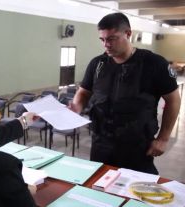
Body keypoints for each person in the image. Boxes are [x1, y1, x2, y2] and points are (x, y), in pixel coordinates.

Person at [70, 13, 181, 174]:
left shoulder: (154, 64)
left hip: (137, 146)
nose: (106, 44)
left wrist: (163, 139)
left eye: (111, 39)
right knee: (100, 187)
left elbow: (174, 100)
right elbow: (83, 93)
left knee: (137, 192)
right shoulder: (97, 64)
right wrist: (76, 107)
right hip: (101, 143)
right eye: (102, 40)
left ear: (128, 33)